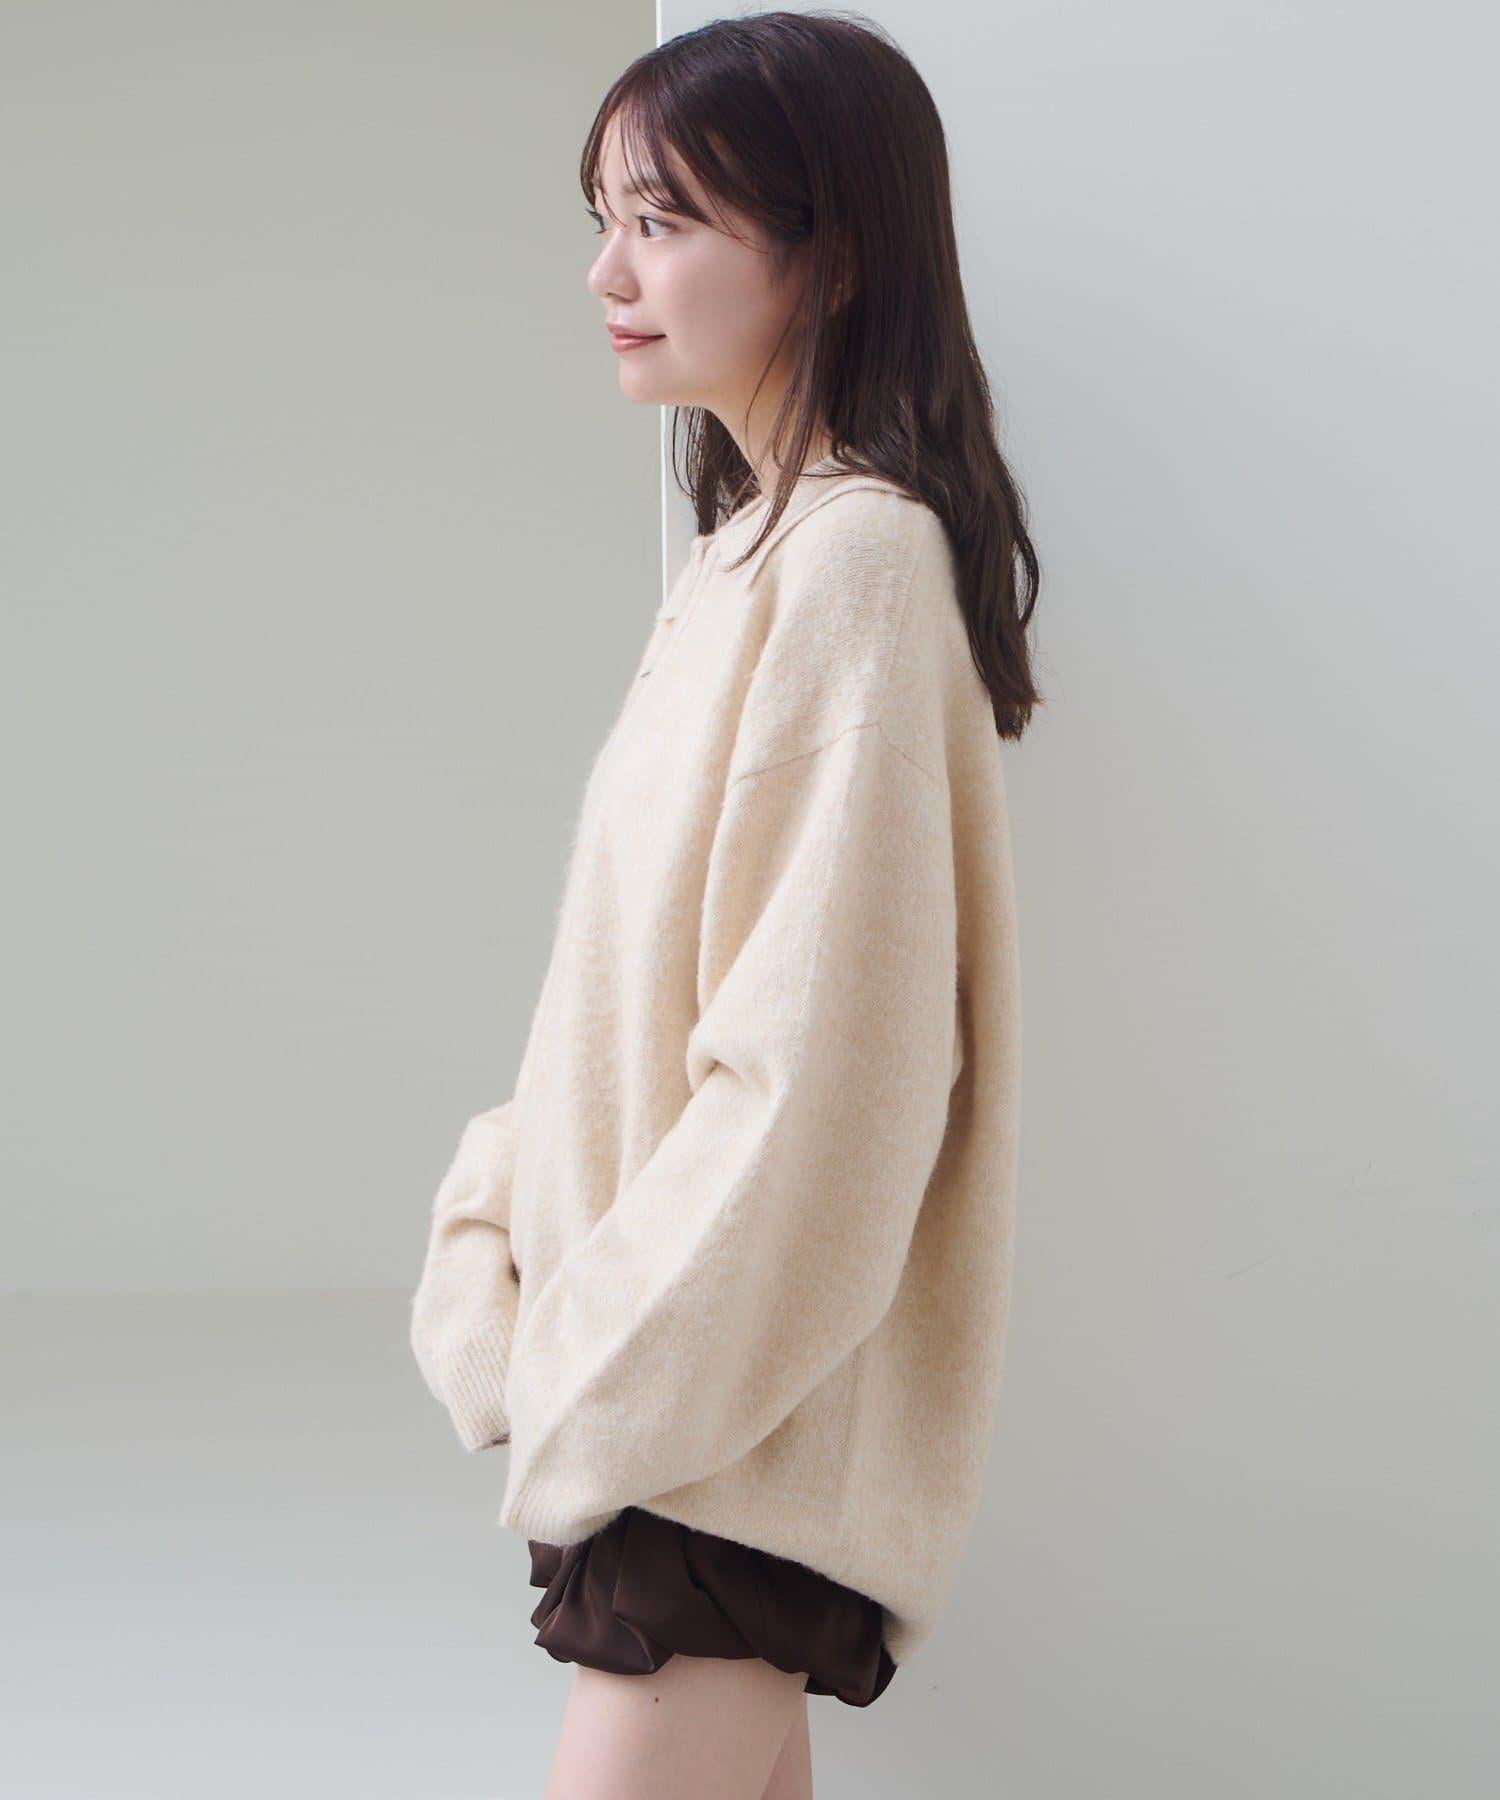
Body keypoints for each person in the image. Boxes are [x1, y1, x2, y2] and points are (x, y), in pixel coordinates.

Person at [409, 11, 1042, 1795]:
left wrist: (589, 1378)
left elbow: (822, 1083)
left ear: (830, 257)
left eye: (664, 221)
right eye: (605, 217)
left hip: (717, 1453)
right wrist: (489, 1243)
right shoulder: (742, 561)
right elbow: (608, 1006)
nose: (608, 271)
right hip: (691, 1428)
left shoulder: (854, 561)